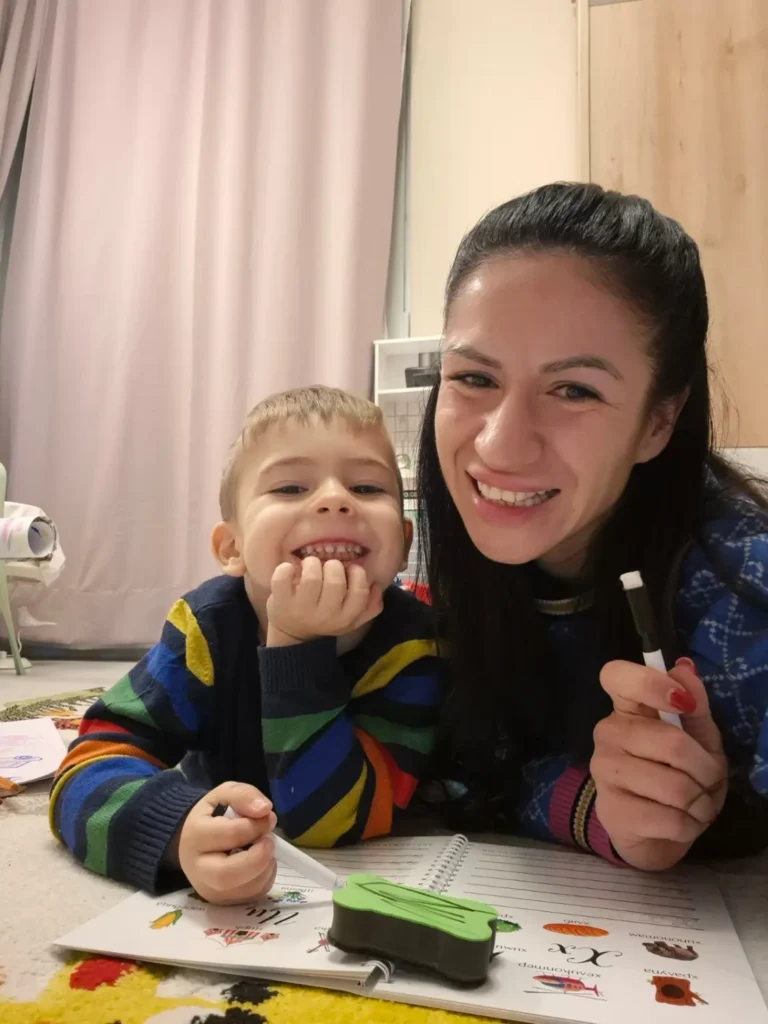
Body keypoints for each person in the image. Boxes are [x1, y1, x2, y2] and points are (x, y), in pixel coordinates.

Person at [416, 181, 768, 871]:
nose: (499, 446)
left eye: (574, 390)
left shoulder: (743, 589)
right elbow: (463, 771)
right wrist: (600, 812)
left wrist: (710, 812)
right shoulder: (444, 572)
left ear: (658, 422)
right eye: (474, 379)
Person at [50, 386, 444, 903]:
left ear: (405, 542)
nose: (335, 499)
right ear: (231, 548)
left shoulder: (414, 646)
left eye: (366, 487)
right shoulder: (206, 626)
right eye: (290, 487)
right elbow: (87, 764)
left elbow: (332, 822)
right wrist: (176, 831)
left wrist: (297, 644)